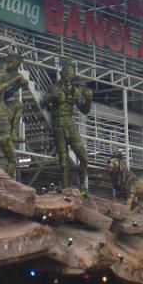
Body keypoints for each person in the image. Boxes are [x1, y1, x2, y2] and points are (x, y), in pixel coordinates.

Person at [40, 62, 93, 190]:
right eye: (65, 72)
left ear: (74, 75)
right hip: (58, 124)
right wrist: (51, 97)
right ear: (61, 73)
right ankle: (65, 187)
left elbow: (84, 110)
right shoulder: (54, 89)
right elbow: (42, 103)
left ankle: (82, 185)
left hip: (70, 124)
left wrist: (89, 99)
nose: (67, 74)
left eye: (70, 72)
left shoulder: (76, 91)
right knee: (63, 159)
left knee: (84, 158)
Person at [0, 53, 28, 177]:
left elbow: (5, 95)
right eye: (17, 65)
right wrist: (13, 80)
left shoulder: (4, 73)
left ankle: (13, 134)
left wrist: (18, 85)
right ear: (12, 62)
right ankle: (7, 182)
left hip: (1, 107)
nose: (17, 68)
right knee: (12, 160)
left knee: (18, 105)